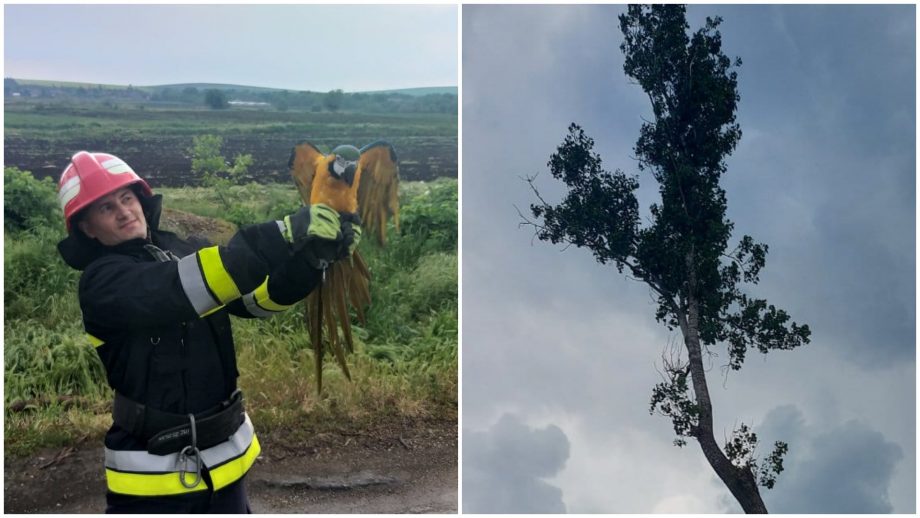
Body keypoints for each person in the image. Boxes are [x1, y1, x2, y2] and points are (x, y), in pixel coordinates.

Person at [56, 151, 356, 513]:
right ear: (87, 228)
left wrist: (310, 261)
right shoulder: (102, 282)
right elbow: (182, 286)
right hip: (153, 482)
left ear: (141, 200)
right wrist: (283, 235)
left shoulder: (180, 250)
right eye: (105, 208)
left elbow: (254, 302)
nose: (123, 212)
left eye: (126, 198)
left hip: (226, 463)